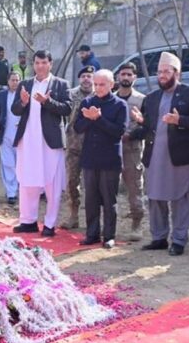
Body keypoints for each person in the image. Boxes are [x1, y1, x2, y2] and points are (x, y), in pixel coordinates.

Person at [128, 52, 189, 256]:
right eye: (159, 72)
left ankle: (179, 240)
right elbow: (149, 126)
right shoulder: (152, 98)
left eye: (166, 71)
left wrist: (179, 121)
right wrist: (140, 122)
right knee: (155, 197)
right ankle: (159, 237)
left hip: (179, 155)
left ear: (176, 73)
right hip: (154, 155)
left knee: (180, 198)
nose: (162, 75)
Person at [10, 50, 72, 237]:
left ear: (50, 64)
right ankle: (28, 221)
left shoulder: (61, 84)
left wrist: (48, 102)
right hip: (28, 138)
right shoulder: (25, 84)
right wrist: (22, 102)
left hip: (50, 140)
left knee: (52, 181)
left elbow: (67, 108)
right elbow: (15, 110)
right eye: (37, 63)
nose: (40, 66)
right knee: (27, 180)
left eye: (44, 63)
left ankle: (49, 224)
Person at [73, 69, 127, 248]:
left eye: (102, 84)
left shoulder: (120, 105)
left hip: (110, 159)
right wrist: (90, 119)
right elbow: (78, 127)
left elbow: (119, 131)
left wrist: (98, 119)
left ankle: (109, 236)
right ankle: (92, 234)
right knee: (91, 200)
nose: (98, 88)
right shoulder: (87, 102)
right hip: (90, 158)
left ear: (111, 84)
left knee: (109, 200)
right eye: (95, 84)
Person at [62, 65, 95, 229]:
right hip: (73, 145)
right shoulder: (71, 94)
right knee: (71, 183)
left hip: (93, 147)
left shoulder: (99, 94)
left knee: (93, 185)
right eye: (83, 76)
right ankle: (73, 216)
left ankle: (93, 220)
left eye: (89, 76)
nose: (86, 79)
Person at [115, 62, 146, 236]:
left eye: (129, 74)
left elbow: (147, 126)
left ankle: (137, 224)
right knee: (109, 188)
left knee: (135, 187)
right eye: (123, 74)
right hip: (112, 149)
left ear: (135, 77)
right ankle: (110, 224)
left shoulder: (141, 100)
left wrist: (130, 135)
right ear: (118, 76)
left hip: (132, 149)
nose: (126, 77)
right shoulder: (111, 98)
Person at [0, 71, 22, 205]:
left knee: (21, 164)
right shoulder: (1, 95)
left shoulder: (24, 95)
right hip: (5, 133)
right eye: (12, 80)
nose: (15, 83)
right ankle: (11, 193)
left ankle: (22, 190)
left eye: (17, 80)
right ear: (8, 81)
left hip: (21, 135)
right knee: (8, 163)